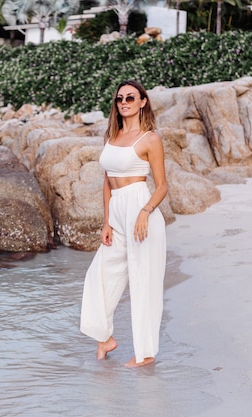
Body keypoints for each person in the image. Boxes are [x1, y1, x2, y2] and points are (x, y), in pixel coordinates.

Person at [80, 80, 167, 368]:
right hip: (117, 210)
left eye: (131, 97)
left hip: (141, 209)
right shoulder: (112, 136)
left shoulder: (149, 139)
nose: (124, 102)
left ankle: (145, 353)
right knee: (99, 276)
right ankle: (105, 338)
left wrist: (145, 212)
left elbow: (162, 186)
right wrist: (106, 223)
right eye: (119, 99)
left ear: (143, 101)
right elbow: (106, 182)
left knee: (144, 282)